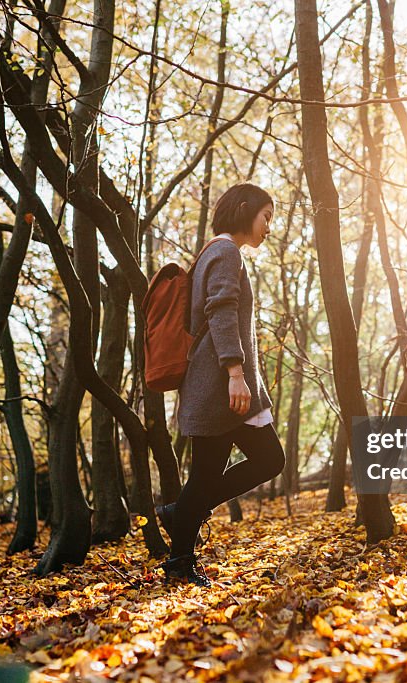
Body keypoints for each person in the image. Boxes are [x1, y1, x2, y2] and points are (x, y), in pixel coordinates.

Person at [158, 183, 286, 586]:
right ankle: (180, 544)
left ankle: (180, 530)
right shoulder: (226, 251)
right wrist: (235, 372)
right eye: (266, 216)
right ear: (245, 210)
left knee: (210, 475)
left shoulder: (214, 253)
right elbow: (221, 310)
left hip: (212, 384)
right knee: (265, 461)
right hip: (218, 385)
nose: (269, 226)